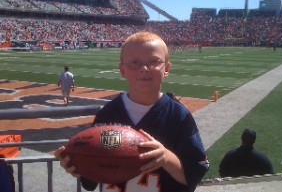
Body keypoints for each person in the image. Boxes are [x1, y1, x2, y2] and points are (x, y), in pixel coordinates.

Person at [55, 31, 209, 192]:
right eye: (134, 62)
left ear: (166, 68)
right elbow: (90, 182)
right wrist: (77, 164)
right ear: (122, 70)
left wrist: (166, 157)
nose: (144, 68)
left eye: (154, 61)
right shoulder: (107, 114)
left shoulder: (178, 116)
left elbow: (194, 175)